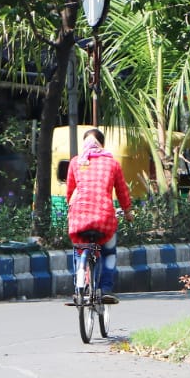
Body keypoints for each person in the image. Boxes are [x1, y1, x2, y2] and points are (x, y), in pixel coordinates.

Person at [66, 128, 133, 304]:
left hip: (79, 218)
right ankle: (106, 289)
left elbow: (70, 192)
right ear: (101, 145)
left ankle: (78, 288)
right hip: (104, 218)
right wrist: (127, 212)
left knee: (78, 249)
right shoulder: (112, 163)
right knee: (109, 252)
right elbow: (122, 192)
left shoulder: (75, 162)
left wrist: (71, 209)